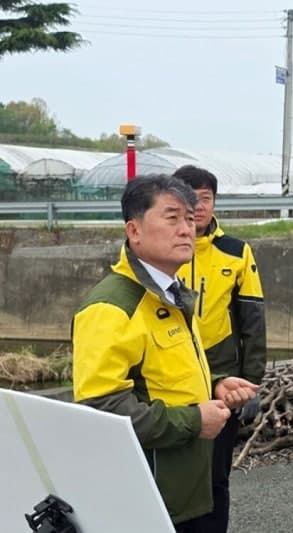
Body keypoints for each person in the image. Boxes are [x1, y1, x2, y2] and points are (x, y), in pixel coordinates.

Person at [72, 175, 258, 532]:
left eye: (190, 218)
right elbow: (102, 410)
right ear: (134, 230)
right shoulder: (112, 307)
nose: (187, 229)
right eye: (172, 218)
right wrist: (194, 420)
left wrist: (215, 384)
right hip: (153, 498)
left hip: (191, 489)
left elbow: (163, 375)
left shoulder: (172, 293)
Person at [173, 165, 267, 533]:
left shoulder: (237, 251)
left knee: (215, 478)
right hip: (173, 379)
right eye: (188, 198)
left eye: (205, 198)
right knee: (172, 473)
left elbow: (253, 323)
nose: (197, 206)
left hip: (223, 380)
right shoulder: (159, 250)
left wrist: (252, 382)